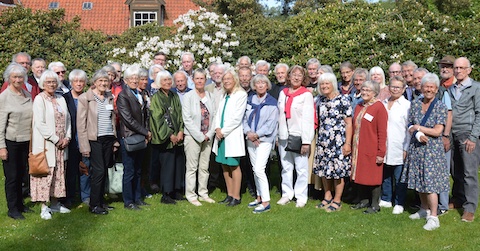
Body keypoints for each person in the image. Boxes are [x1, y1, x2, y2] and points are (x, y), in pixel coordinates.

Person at [402, 73, 448, 230]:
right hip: (417, 148)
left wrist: (419, 128)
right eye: (425, 86)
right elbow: (409, 125)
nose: (428, 89)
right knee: (419, 181)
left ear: (436, 89)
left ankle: (434, 217)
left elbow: (437, 131)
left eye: (431, 87)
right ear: (421, 88)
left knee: (430, 184)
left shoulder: (440, 106)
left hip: (431, 151)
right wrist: (416, 132)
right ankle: (423, 209)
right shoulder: (415, 103)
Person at [31, 70, 72, 220]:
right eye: (48, 82)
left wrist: (67, 137)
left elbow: (68, 120)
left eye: (54, 82)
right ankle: (44, 206)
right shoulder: (39, 99)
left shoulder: (61, 98)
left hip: (61, 145)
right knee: (45, 174)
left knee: (59, 174)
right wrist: (56, 139)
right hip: (47, 144)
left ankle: (55, 203)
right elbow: (40, 123)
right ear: (42, 84)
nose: (52, 84)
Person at [77, 70, 118, 214]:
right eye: (100, 81)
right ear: (94, 82)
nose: (103, 83)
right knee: (98, 171)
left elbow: (112, 119)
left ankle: (101, 202)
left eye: (105, 81)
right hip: (94, 139)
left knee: (104, 170)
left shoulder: (109, 96)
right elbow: (81, 125)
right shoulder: (85, 98)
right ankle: (94, 205)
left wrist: (115, 140)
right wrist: (84, 146)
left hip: (108, 138)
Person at [313, 73, 352, 212]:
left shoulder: (343, 100)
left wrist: (347, 143)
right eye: (322, 84)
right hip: (323, 141)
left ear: (333, 84)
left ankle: (337, 199)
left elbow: (348, 123)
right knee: (324, 169)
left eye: (327, 83)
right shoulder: (320, 101)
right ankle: (327, 196)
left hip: (338, 141)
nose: (324, 86)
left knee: (338, 172)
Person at [277, 65, 314, 208]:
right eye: (294, 75)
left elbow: (308, 119)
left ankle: (301, 196)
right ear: (289, 77)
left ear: (303, 78)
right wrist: (278, 136)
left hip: (299, 135)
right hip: (284, 136)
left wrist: (306, 141)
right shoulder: (283, 93)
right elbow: (279, 116)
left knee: (301, 168)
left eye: (299, 75)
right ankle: (287, 193)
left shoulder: (306, 95)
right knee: (286, 167)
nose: (296, 77)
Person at [0, 63, 33, 220]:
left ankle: (20, 204)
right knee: (12, 177)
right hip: (11, 142)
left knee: (22, 175)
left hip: (26, 141)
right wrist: (2, 147)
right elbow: (0, 126)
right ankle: (12, 209)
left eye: (20, 76)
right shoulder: (4, 98)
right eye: (15, 77)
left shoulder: (26, 94)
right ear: (9, 78)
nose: (18, 79)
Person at [449, 57, 480, 222]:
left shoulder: (476, 88)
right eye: (456, 68)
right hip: (452, 134)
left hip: (468, 135)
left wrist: (473, 137)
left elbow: (479, 114)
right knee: (455, 171)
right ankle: (459, 198)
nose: (458, 70)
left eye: (462, 68)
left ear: (469, 70)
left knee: (469, 173)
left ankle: (470, 208)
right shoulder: (451, 89)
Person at [117, 65, 152, 210]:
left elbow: (145, 116)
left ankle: (138, 198)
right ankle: (128, 201)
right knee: (129, 170)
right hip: (130, 137)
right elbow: (128, 119)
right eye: (132, 78)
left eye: (136, 78)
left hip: (141, 137)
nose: (135, 80)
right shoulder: (123, 96)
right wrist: (145, 132)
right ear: (125, 80)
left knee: (138, 169)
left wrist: (146, 132)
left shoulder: (140, 94)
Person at [350, 80, 388, 214]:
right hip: (359, 147)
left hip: (372, 147)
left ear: (375, 93)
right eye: (363, 90)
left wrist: (380, 152)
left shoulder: (379, 107)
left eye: (368, 91)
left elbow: (382, 132)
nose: (365, 93)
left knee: (373, 177)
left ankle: (375, 205)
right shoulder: (359, 106)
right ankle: (363, 200)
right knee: (360, 174)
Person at [243, 74, 279, 213]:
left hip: (264, 140)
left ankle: (266, 202)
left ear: (267, 85)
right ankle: (258, 197)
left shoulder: (272, 102)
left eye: (263, 83)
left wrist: (257, 134)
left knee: (259, 169)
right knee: (254, 168)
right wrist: (249, 133)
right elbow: (243, 119)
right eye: (257, 83)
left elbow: (271, 125)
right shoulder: (250, 100)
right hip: (251, 139)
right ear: (254, 85)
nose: (260, 85)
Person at [213, 69, 247, 207]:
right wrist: (217, 129)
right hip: (221, 136)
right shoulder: (224, 95)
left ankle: (236, 196)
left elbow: (236, 118)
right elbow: (218, 113)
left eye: (229, 79)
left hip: (230, 135)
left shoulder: (241, 95)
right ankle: (229, 194)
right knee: (224, 165)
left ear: (235, 80)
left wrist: (223, 131)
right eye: (224, 79)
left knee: (233, 165)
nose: (226, 81)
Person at [150, 70, 185, 204]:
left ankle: (176, 190)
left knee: (178, 164)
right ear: (159, 82)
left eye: (169, 80)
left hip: (178, 136)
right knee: (167, 166)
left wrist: (181, 131)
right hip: (166, 138)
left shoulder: (174, 95)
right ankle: (166, 194)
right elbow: (157, 118)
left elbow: (180, 114)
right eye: (164, 80)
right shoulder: (157, 98)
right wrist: (170, 134)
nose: (168, 82)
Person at [182, 69, 216, 206]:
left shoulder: (210, 95)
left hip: (208, 136)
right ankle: (191, 194)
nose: (200, 81)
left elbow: (215, 116)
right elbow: (187, 119)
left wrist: (209, 134)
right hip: (193, 137)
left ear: (205, 80)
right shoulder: (188, 96)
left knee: (204, 167)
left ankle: (203, 193)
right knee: (192, 167)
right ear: (193, 80)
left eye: (202, 78)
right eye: (197, 79)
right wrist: (200, 136)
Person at [379, 76, 410, 214]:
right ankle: (386, 198)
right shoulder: (383, 103)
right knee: (385, 173)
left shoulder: (407, 106)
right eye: (393, 86)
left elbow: (410, 129)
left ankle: (399, 202)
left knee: (399, 176)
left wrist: (406, 148)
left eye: (398, 87)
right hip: (385, 144)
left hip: (399, 144)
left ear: (404, 89)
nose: (395, 89)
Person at [62, 69, 88, 207]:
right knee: (70, 170)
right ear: (71, 82)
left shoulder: (88, 98)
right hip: (71, 140)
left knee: (85, 169)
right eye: (76, 81)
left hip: (85, 140)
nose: (79, 84)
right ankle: (70, 197)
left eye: (81, 81)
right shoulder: (65, 98)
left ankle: (86, 196)